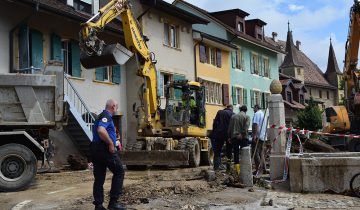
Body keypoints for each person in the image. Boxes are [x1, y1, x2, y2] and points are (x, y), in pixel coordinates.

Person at [90, 99, 126, 210]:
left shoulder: (101, 115)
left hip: (96, 148)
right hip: (104, 148)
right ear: (113, 106)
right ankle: (113, 203)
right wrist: (110, 143)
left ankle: (99, 205)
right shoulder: (106, 116)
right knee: (119, 171)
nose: (117, 109)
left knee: (99, 178)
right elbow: (101, 130)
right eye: (117, 107)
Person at [228, 105, 250, 175]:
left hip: (234, 137)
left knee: (236, 154)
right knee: (244, 154)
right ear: (246, 110)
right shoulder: (247, 117)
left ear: (240, 110)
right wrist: (242, 134)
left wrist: (229, 137)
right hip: (243, 137)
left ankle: (237, 171)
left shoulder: (233, 116)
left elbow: (229, 128)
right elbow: (246, 126)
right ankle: (244, 170)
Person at [211, 105, 234, 171]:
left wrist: (214, 132)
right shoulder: (233, 114)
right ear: (231, 109)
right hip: (229, 135)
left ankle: (216, 168)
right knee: (229, 151)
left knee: (217, 151)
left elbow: (215, 123)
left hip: (219, 134)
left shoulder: (220, 112)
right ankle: (228, 168)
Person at [252, 104, 267, 174]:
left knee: (255, 153)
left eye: (254, 108)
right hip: (263, 135)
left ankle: (259, 169)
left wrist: (254, 135)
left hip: (258, 135)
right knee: (261, 153)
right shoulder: (263, 114)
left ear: (256, 107)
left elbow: (255, 124)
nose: (253, 109)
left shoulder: (257, 114)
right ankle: (264, 168)